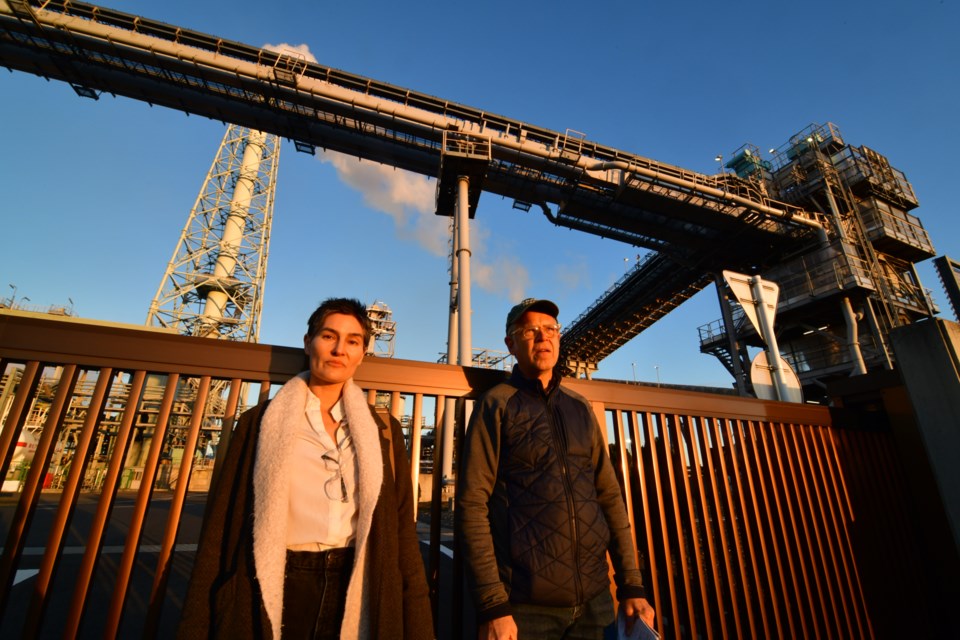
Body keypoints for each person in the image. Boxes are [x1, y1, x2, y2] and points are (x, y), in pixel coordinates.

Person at [179, 298, 433, 640]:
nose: (339, 349)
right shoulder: (259, 423)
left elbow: (402, 532)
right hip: (283, 577)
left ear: (362, 353)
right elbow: (221, 530)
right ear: (308, 342)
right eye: (329, 336)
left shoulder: (383, 431)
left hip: (357, 577)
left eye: (353, 341)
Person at [457, 298, 655, 640]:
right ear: (511, 343)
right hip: (524, 608)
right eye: (530, 330)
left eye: (550, 330)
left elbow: (609, 496)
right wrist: (493, 605)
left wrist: (631, 585)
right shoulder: (497, 405)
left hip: (595, 601)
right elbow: (472, 505)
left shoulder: (579, 407)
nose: (543, 338)